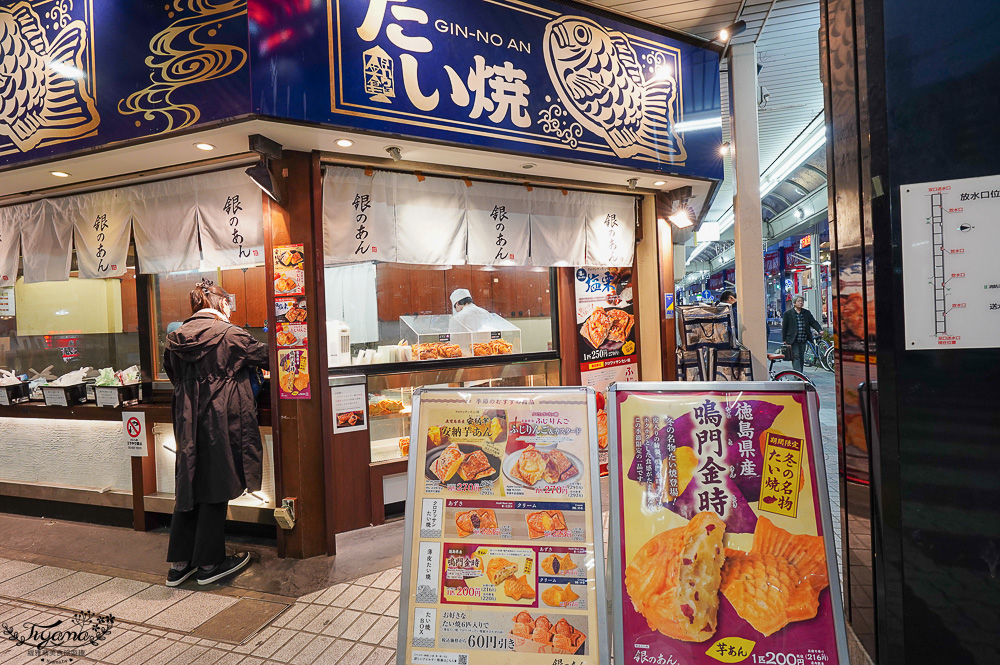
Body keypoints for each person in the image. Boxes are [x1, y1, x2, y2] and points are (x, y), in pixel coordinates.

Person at [163, 280, 269, 587]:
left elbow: (173, 375)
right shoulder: (230, 334)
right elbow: (273, 357)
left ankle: (180, 563)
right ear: (222, 305)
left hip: (185, 417)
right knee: (216, 482)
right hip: (221, 415)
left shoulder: (174, 338)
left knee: (190, 480)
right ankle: (210, 563)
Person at [781, 295, 823, 372]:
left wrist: (819, 330)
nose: (801, 303)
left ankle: (800, 373)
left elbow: (813, 322)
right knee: (796, 356)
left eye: (802, 301)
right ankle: (798, 374)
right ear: (794, 303)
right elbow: (784, 327)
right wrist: (784, 339)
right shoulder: (788, 314)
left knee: (801, 356)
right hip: (793, 339)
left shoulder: (806, 313)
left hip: (803, 338)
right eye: (799, 301)